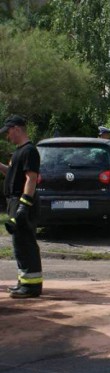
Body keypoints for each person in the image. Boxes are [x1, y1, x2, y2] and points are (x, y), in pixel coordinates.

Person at [0, 115, 43, 298]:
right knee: (19, 244)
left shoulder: (29, 151)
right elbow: (13, 173)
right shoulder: (19, 151)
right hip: (14, 201)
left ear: (17, 128)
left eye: (8, 132)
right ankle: (24, 282)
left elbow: (31, 178)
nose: (7, 136)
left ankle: (32, 287)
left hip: (22, 202)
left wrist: (24, 206)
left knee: (26, 243)